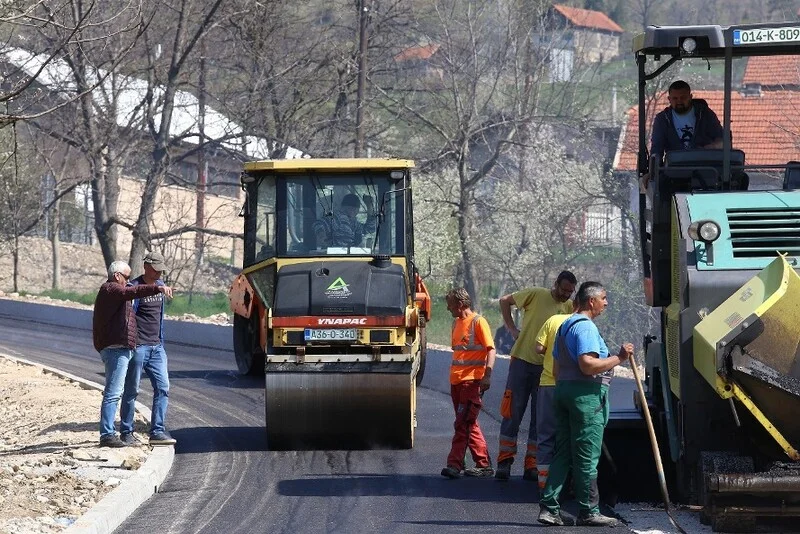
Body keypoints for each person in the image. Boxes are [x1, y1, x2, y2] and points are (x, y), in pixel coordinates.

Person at [537, 282, 634, 527]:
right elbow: (587, 365)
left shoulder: (564, 326)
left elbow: (558, 368)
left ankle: (549, 508)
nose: (606, 302)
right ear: (591, 301)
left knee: (564, 452)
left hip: (564, 392)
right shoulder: (586, 328)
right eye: (604, 297)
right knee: (586, 456)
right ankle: (588, 510)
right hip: (586, 397)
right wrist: (619, 358)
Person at [495, 271, 577, 481]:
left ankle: (531, 464)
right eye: (564, 289)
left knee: (539, 419)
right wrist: (511, 328)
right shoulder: (536, 294)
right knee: (512, 411)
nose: (566, 295)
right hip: (522, 361)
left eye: (570, 292)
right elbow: (505, 301)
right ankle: (505, 460)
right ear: (555, 283)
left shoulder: (568, 307)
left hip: (546, 369)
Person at [92, 260, 173, 448]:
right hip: (119, 349)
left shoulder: (120, 291)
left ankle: (156, 431)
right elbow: (131, 292)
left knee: (161, 387)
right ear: (118, 276)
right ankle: (113, 433)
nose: (128, 282)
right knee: (119, 392)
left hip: (142, 346)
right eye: (126, 278)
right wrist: (155, 289)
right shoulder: (111, 289)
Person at [120, 251, 176, 446]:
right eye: (156, 269)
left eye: (161, 269)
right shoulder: (134, 288)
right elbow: (126, 316)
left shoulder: (160, 286)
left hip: (157, 347)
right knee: (131, 390)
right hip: (138, 348)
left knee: (163, 388)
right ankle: (126, 432)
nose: (160, 273)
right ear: (147, 267)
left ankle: (157, 431)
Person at [440, 288, 496, 479]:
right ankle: (483, 464)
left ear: (461, 304)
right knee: (468, 423)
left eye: (451, 305)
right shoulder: (456, 323)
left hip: (472, 382)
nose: (448, 309)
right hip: (456, 382)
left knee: (462, 423)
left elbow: (491, 350)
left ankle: (454, 464)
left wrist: (487, 376)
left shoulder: (478, 322)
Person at [533, 302, 576, 492]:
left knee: (545, 435)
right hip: (570, 386)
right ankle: (566, 484)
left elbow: (538, 348)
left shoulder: (553, 320)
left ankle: (544, 484)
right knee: (568, 435)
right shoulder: (582, 325)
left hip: (547, 384)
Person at [650, 79, 723, 164]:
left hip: (704, 167)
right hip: (675, 169)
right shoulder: (662, 119)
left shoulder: (705, 114)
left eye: (683, 97)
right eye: (675, 98)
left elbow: (722, 139)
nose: (679, 101)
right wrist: (653, 172)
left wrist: (713, 146)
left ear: (690, 97)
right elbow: (656, 149)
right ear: (669, 99)